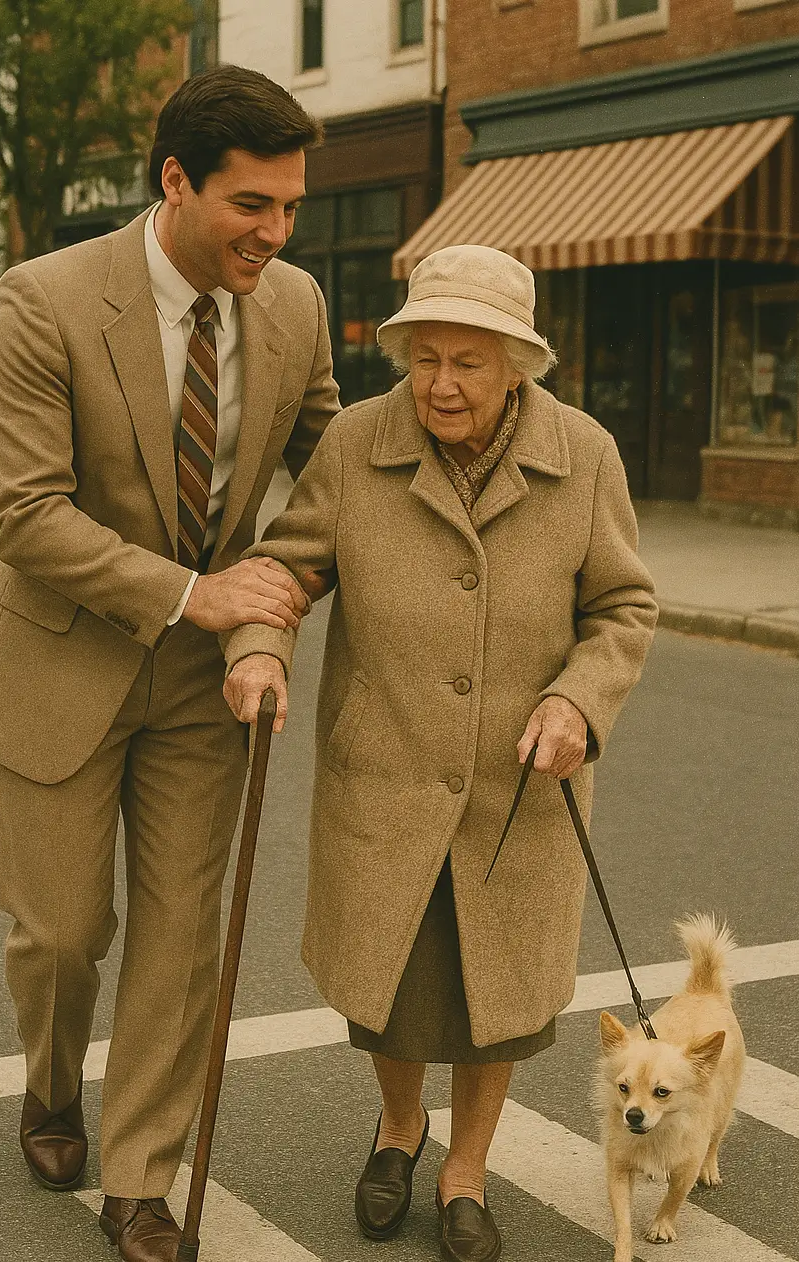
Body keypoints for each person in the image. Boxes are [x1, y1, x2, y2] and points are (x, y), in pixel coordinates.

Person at [0, 66, 339, 1262]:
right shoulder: (43, 300)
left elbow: (334, 465)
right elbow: (23, 511)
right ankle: (50, 1080)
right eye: (251, 206)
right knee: (62, 931)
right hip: (62, 656)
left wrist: (266, 611)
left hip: (202, 685)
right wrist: (192, 591)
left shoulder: (298, 305)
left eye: (290, 208)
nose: (275, 234)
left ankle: (139, 1174)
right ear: (176, 181)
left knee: (183, 931)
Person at [223, 245, 658, 1262]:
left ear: (518, 365)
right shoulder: (359, 444)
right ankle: (397, 1126)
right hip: (387, 767)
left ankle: (466, 1166)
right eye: (425, 357)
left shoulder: (584, 454)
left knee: (492, 1001)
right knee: (393, 986)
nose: (442, 384)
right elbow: (287, 566)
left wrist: (576, 701)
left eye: (469, 361)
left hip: (520, 783)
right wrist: (257, 647)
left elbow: (624, 606)